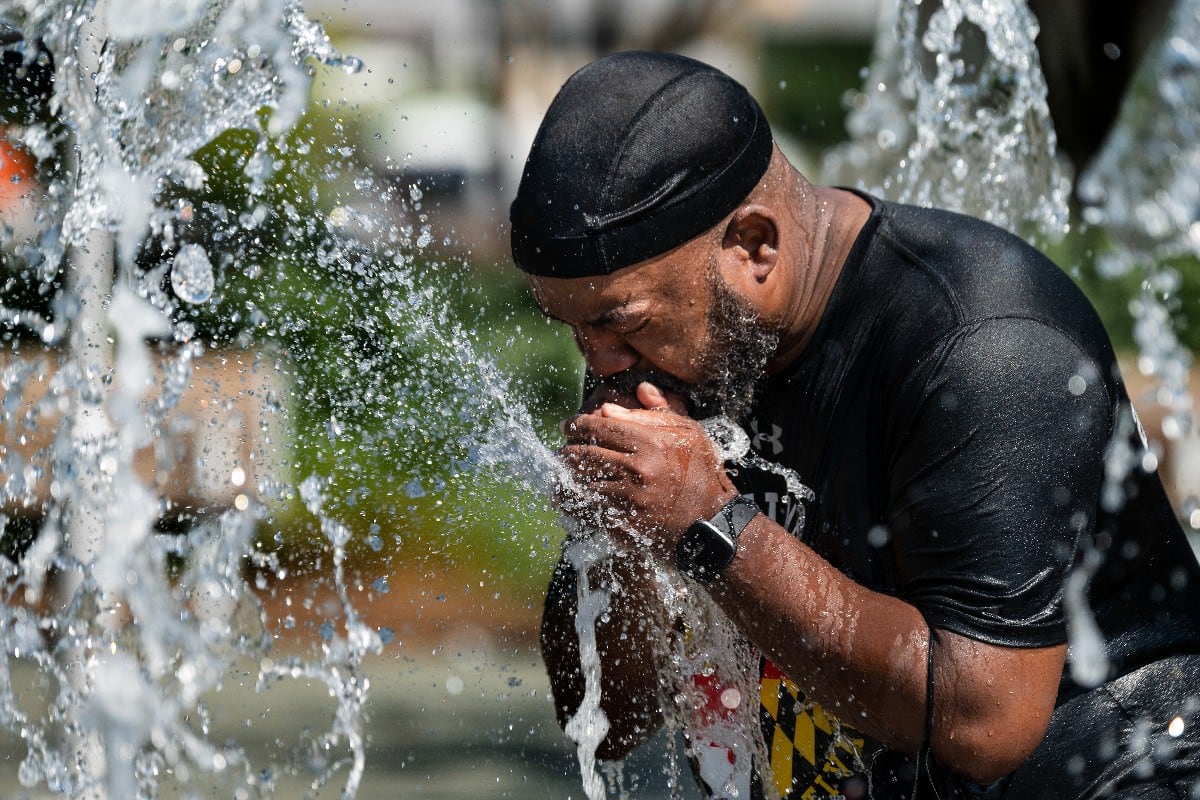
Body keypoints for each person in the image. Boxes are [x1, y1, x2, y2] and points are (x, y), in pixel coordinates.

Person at [508, 50, 1200, 799]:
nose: (602, 362)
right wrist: (623, 542)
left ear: (754, 248)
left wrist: (708, 524)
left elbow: (986, 722)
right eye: (575, 329)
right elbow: (605, 721)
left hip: (1119, 770)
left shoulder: (984, 344)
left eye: (619, 323)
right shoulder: (664, 351)